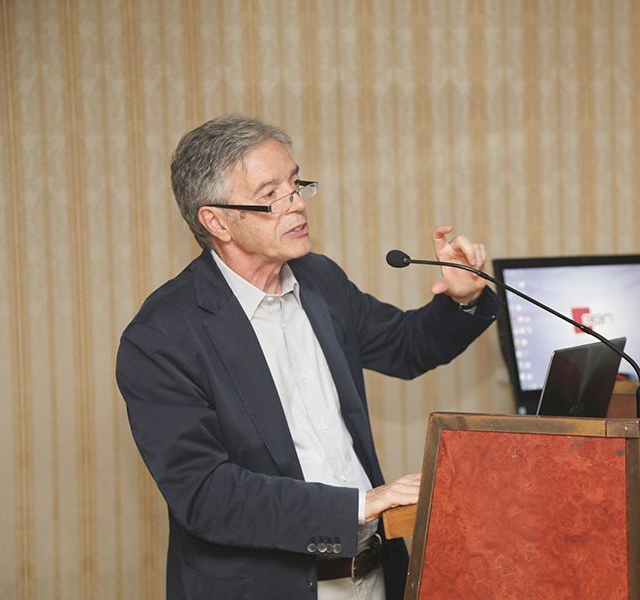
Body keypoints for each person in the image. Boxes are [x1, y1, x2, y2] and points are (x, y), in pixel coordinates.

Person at [115, 115, 499, 600]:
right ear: (216, 221)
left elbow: (406, 347)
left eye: (296, 184)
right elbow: (206, 494)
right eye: (271, 194)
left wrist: (463, 298)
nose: (296, 203)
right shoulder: (161, 336)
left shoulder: (319, 280)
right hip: (269, 587)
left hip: (375, 574)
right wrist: (361, 505)